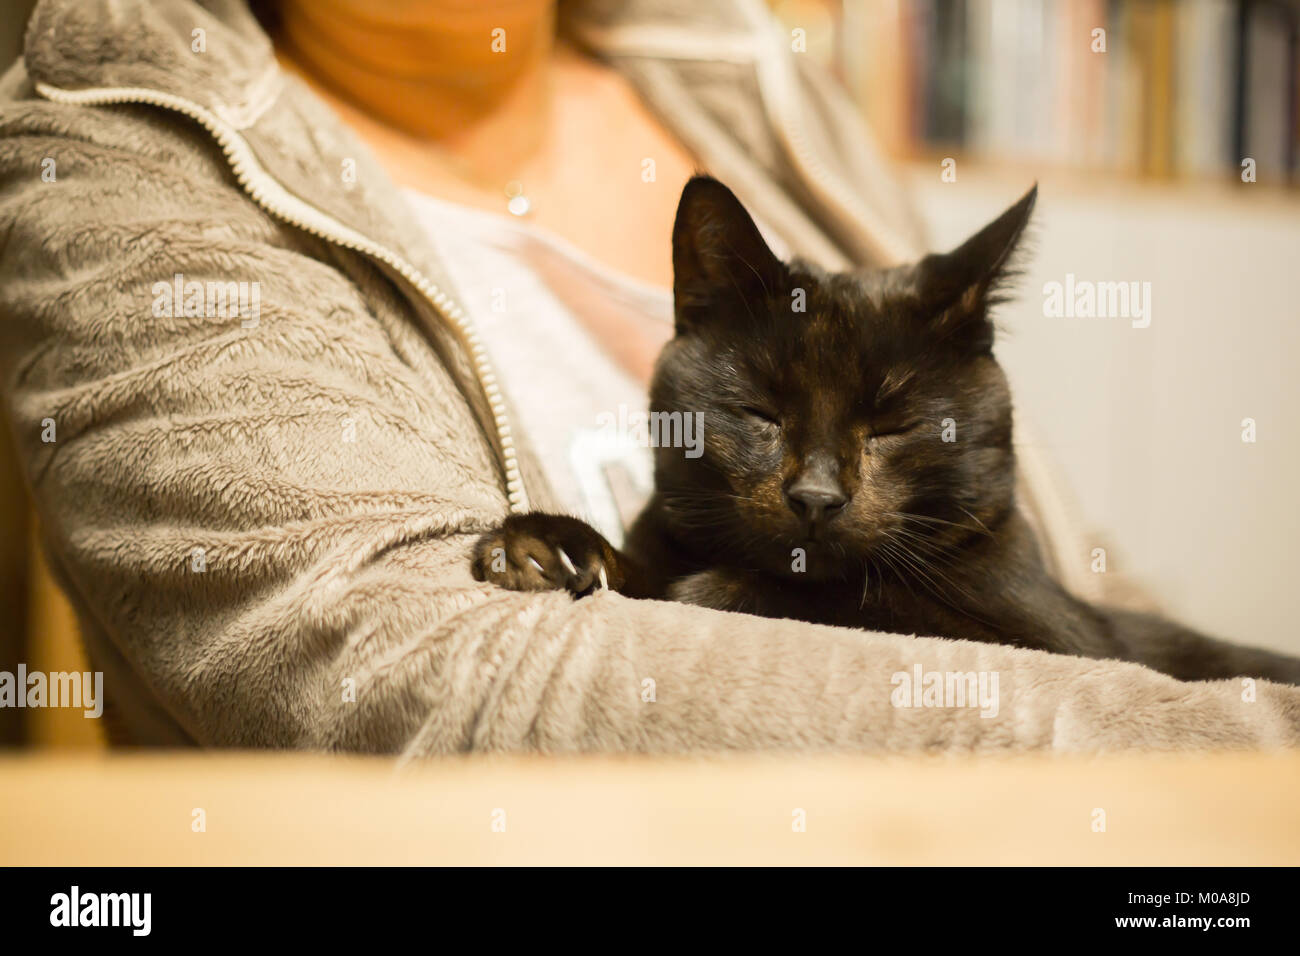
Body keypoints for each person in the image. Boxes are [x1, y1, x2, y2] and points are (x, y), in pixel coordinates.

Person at [0, 0, 1286, 753]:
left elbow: (1058, 560)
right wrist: (1227, 746)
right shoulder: (125, 160)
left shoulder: (739, 66)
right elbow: (428, 687)